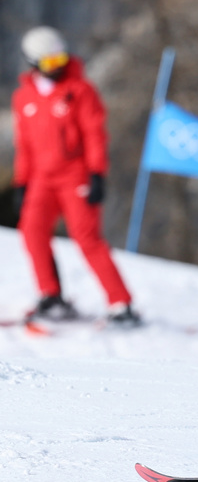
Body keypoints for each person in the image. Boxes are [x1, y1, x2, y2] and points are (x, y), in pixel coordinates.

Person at [12, 26, 140, 326]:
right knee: (31, 231)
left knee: (87, 238)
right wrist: (22, 182)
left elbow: (95, 134)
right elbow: (25, 144)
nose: (57, 68)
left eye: (60, 60)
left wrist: (97, 173)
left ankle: (121, 303)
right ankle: (50, 295)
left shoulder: (79, 91)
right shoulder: (24, 97)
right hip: (42, 179)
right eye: (49, 63)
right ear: (33, 64)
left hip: (76, 176)